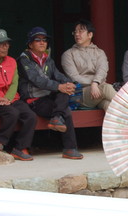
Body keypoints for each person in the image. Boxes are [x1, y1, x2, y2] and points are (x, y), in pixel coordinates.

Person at [17, 27, 83, 160]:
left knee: (64, 93)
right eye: (37, 40)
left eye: (44, 40)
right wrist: (60, 86)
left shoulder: (48, 60)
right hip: (33, 101)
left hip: (47, 97)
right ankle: (69, 147)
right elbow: (37, 80)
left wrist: (69, 83)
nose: (42, 43)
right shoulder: (24, 60)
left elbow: (58, 75)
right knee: (65, 110)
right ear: (30, 44)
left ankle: (59, 124)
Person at [0, 29, 36, 161]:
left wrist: (8, 99)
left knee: (30, 116)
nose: (5, 47)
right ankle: (0, 142)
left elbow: (14, 83)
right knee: (12, 113)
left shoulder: (12, 61)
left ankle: (20, 148)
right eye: (1, 44)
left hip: (11, 98)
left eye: (7, 44)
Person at [61, 19, 117, 110]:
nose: (77, 34)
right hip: (80, 94)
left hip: (98, 91)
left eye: (81, 31)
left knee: (109, 105)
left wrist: (95, 83)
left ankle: (125, 124)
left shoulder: (100, 52)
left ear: (90, 34)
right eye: (75, 32)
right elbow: (74, 77)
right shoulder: (68, 54)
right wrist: (94, 83)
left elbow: (102, 70)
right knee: (106, 88)